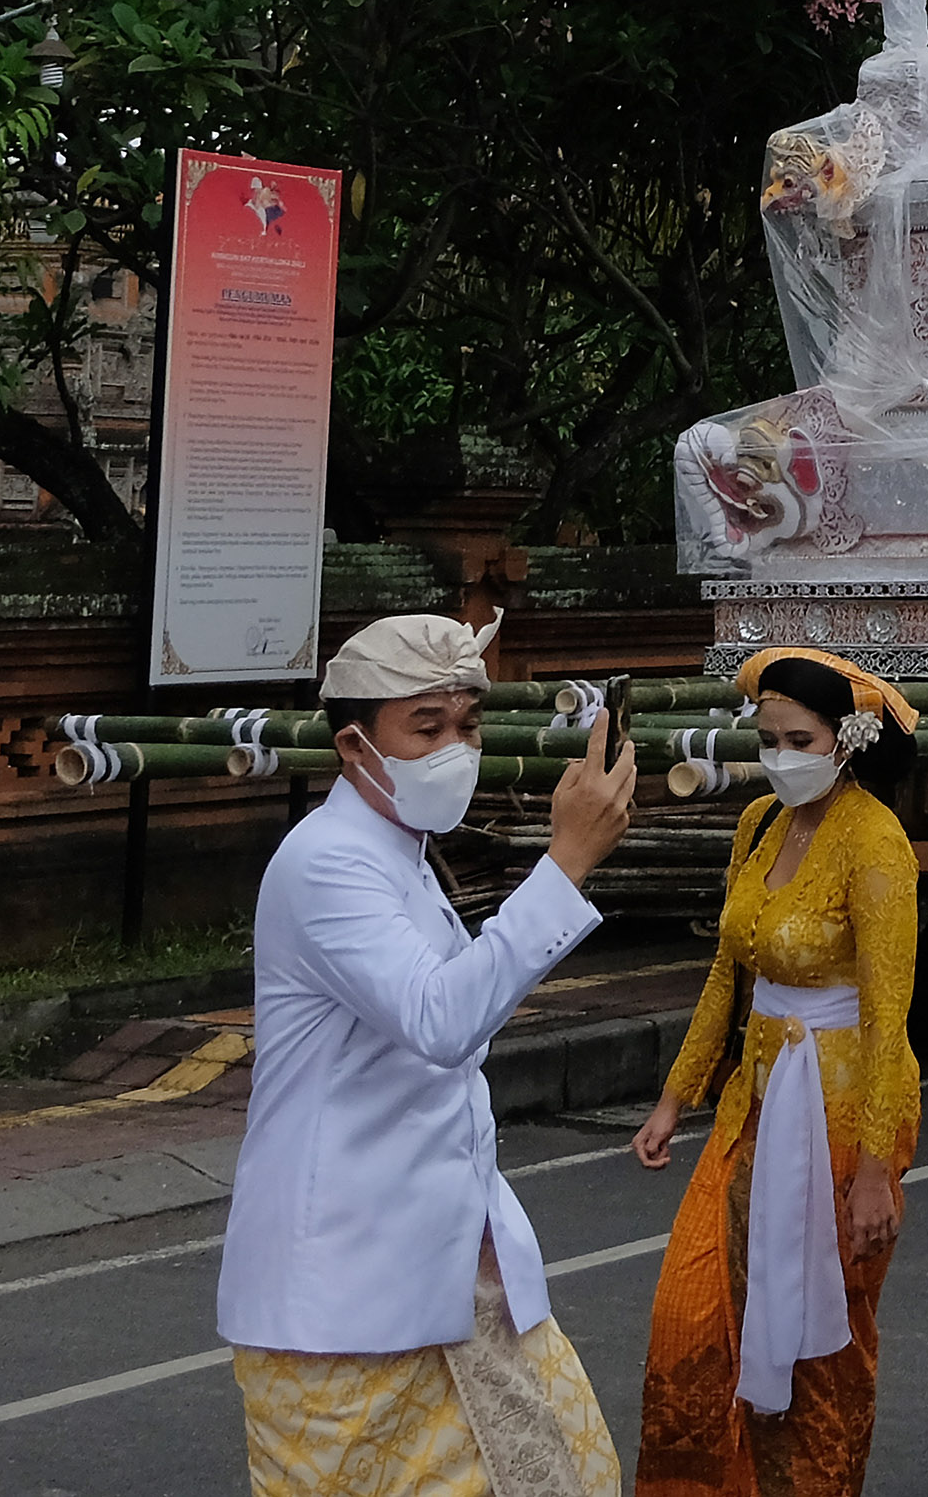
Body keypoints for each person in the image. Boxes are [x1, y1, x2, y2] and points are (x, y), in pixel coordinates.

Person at [218, 611, 638, 1497]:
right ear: (355, 745)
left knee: (576, 1476)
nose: (457, 746)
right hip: (343, 1308)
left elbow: (457, 1020)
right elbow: (442, 1018)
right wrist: (562, 866)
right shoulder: (325, 861)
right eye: (428, 726)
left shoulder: (398, 855)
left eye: (468, 725)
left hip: (458, 1276)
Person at [633, 650, 924, 1496]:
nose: (782, 756)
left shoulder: (877, 842)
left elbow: (887, 1011)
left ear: (847, 740)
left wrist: (874, 1171)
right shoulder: (758, 820)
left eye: (800, 738)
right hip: (751, 1102)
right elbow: (730, 973)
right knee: (689, 1318)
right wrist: (672, 1097)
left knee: (816, 1349)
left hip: (847, 1112)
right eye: (769, 739)